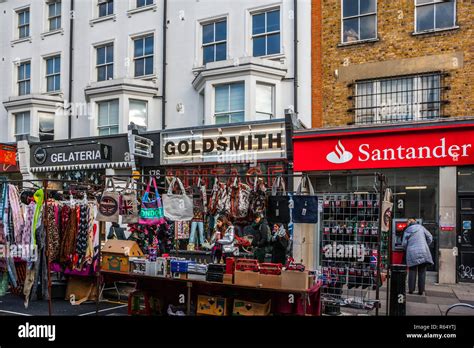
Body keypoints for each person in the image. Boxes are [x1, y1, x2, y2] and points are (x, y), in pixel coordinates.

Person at [402, 218, 434, 295]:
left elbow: (404, 244)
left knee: (412, 271)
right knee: (422, 272)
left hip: (412, 252)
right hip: (423, 251)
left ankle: (411, 290)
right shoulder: (421, 228)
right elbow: (430, 237)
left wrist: (408, 248)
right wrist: (425, 244)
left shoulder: (407, 230)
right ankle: (421, 291)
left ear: (409, 224)